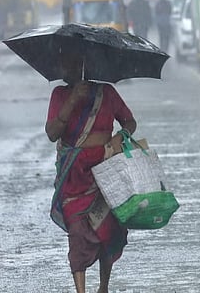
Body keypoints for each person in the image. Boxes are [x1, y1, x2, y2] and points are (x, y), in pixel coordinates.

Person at [45, 49, 137, 293]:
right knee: (77, 233)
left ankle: (103, 286)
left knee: (109, 231)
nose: (66, 70)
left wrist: (121, 136)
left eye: (71, 64)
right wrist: (73, 99)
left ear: (84, 64)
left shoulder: (106, 93)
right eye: (63, 65)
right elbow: (52, 133)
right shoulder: (59, 95)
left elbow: (130, 121)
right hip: (73, 178)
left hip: (106, 174)